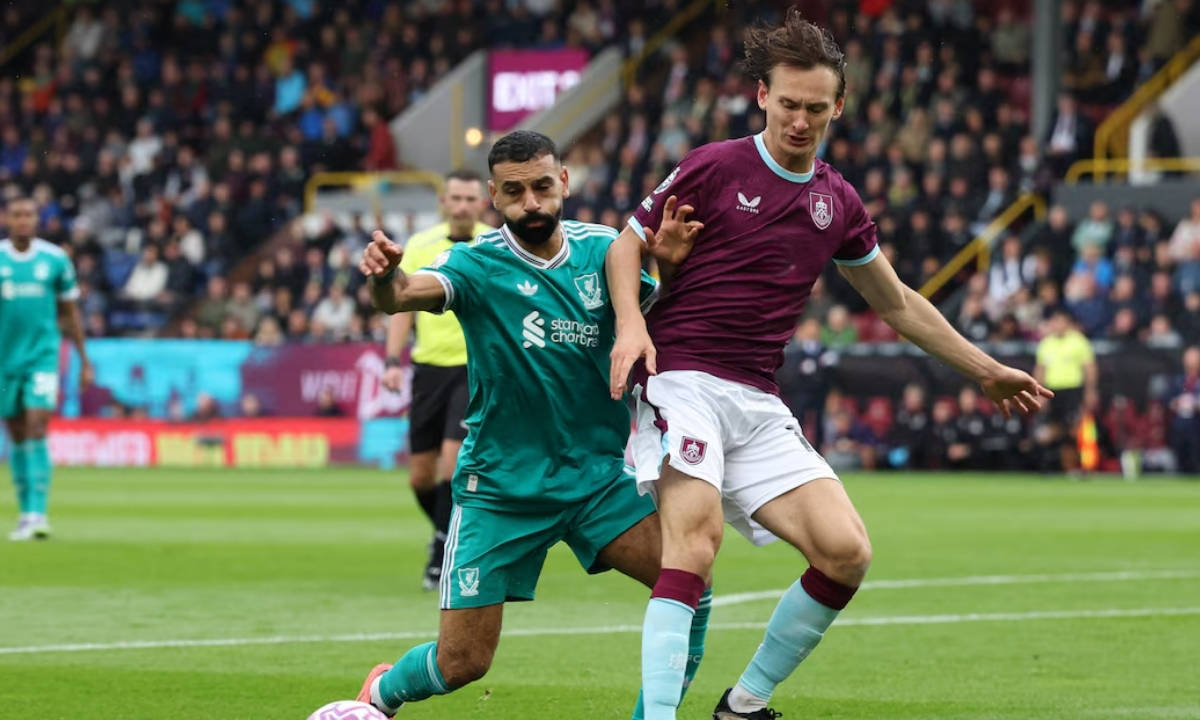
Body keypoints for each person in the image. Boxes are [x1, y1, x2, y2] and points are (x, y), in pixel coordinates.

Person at [604, 11, 1053, 719]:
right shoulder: (716, 165)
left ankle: (743, 705)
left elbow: (899, 302)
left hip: (754, 396)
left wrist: (984, 368)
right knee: (695, 542)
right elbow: (623, 244)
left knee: (846, 552)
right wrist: (631, 324)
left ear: (838, 106)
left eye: (816, 108)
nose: (800, 121)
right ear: (762, 96)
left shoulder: (835, 201)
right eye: (788, 105)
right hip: (682, 376)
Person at [350, 131, 709, 718]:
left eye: (543, 186)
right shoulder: (476, 264)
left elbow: (654, 323)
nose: (532, 203)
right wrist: (385, 278)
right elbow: (403, 296)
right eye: (514, 192)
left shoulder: (605, 253)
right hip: (501, 488)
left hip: (595, 480)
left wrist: (667, 272)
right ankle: (382, 693)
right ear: (494, 196)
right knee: (462, 663)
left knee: (692, 577)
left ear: (564, 182)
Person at [380, 168, 494, 591]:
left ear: (482, 203)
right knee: (420, 476)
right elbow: (401, 305)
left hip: (475, 369)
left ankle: (441, 553)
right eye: (456, 199)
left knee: (452, 461)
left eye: (470, 199)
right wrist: (392, 360)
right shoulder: (419, 245)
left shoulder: (494, 244)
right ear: (443, 203)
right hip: (429, 370)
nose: (463, 206)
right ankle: (451, 535)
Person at [1, 197, 92, 541]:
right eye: (17, 214)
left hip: (42, 357)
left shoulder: (55, 259)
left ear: (37, 220)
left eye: (29, 214)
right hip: (4, 361)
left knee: (38, 425)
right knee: (18, 433)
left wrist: (84, 360)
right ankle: (26, 513)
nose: (23, 220)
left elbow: (71, 313)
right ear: (6, 219)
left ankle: (39, 513)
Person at [1033, 308, 1098, 473]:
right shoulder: (1046, 344)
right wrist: (1038, 394)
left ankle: (1082, 466)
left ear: (1068, 324)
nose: (1058, 325)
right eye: (1055, 321)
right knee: (1054, 429)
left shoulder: (1079, 341)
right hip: (1052, 391)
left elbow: (1089, 368)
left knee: (1076, 429)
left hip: (1073, 390)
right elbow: (1040, 370)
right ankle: (1059, 466)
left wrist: (1090, 390)